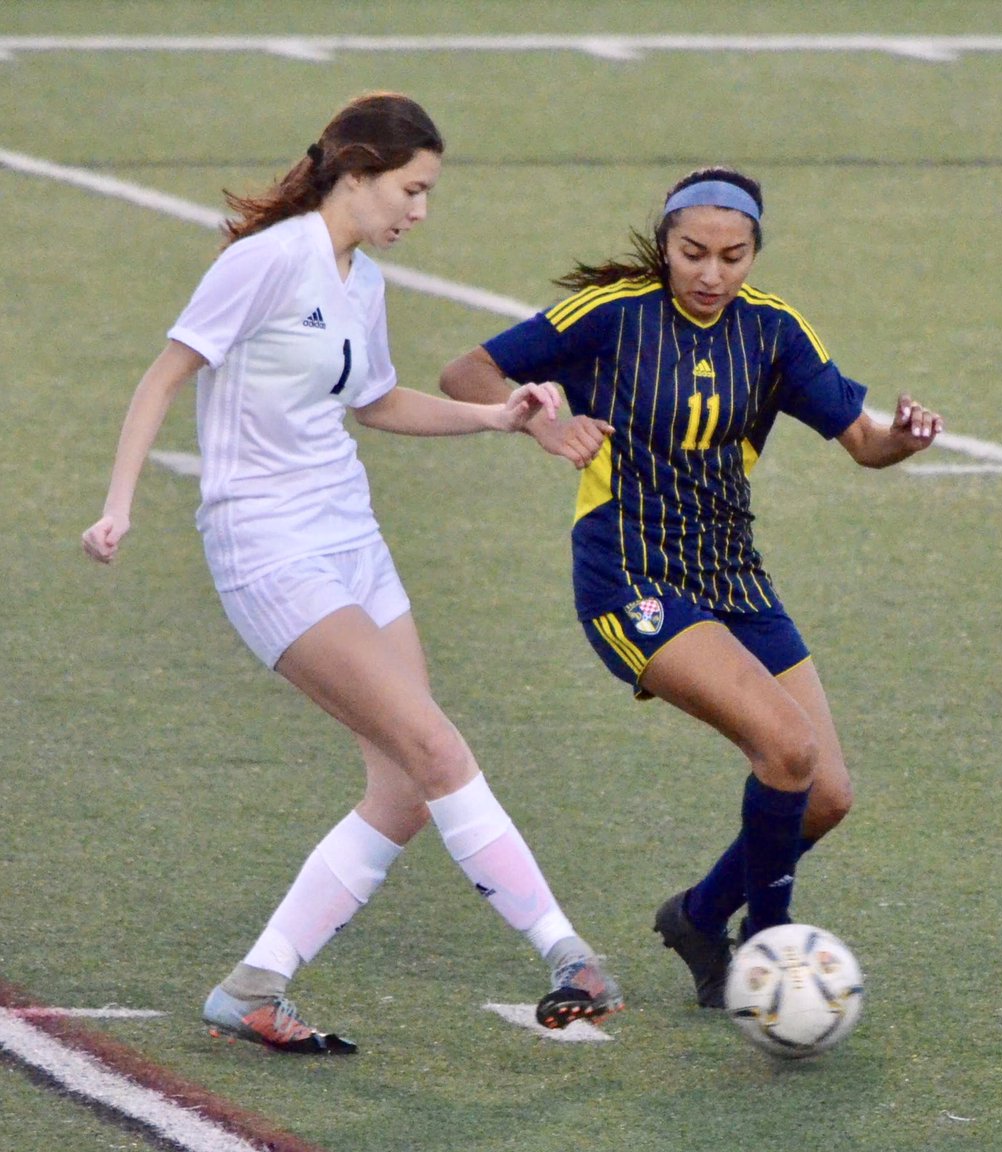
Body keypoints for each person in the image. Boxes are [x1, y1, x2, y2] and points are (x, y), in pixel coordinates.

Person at [81, 91, 623, 1052]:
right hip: (267, 547)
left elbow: (375, 402)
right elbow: (164, 374)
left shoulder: (361, 277)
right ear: (358, 172)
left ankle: (253, 988)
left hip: (352, 540)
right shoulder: (265, 260)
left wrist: (501, 420)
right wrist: (120, 504)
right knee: (439, 748)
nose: (420, 210)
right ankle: (565, 952)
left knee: (408, 785)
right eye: (411, 190)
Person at [440, 166, 944, 1008]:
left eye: (732, 256)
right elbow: (469, 373)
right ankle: (772, 954)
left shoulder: (773, 331)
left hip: (733, 578)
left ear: (754, 253)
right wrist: (544, 422)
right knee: (784, 752)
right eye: (693, 253)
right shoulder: (610, 315)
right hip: (631, 577)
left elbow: (862, 440)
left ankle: (700, 917)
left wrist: (906, 439)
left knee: (824, 796)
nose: (711, 274)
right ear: (665, 245)